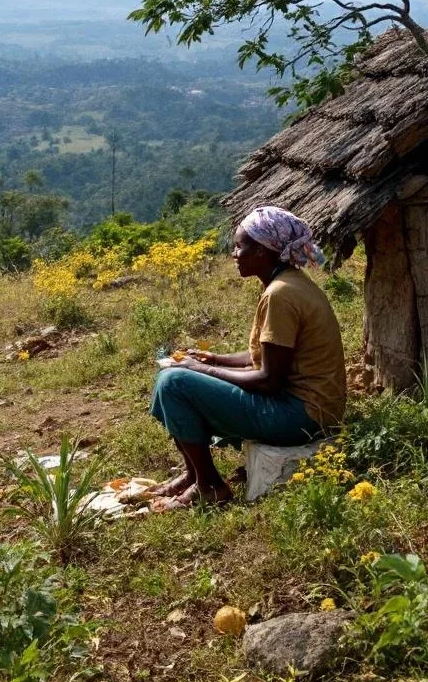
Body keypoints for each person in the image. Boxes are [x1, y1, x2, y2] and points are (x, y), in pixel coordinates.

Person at [146, 206, 346, 512]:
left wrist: (201, 369)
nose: (234, 254)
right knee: (174, 377)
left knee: (173, 383)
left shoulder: (280, 295)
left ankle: (210, 485)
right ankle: (193, 475)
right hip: (313, 408)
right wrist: (214, 359)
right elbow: (271, 355)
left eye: (240, 246)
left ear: (263, 251)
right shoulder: (289, 284)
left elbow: (268, 379)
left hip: (301, 416)